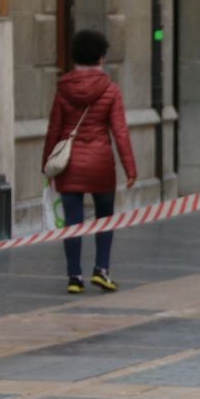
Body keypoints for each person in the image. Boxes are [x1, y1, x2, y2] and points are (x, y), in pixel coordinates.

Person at [41, 29, 137, 294]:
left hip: (69, 164)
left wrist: (46, 164)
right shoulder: (110, 90)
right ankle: (101, 270)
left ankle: (74, 276)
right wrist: (130, 168)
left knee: (73, 222)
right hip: (100, 164)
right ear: (101, 57)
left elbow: (54, 129)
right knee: (105, 217)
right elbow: (120, 131)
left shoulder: (63, 89)